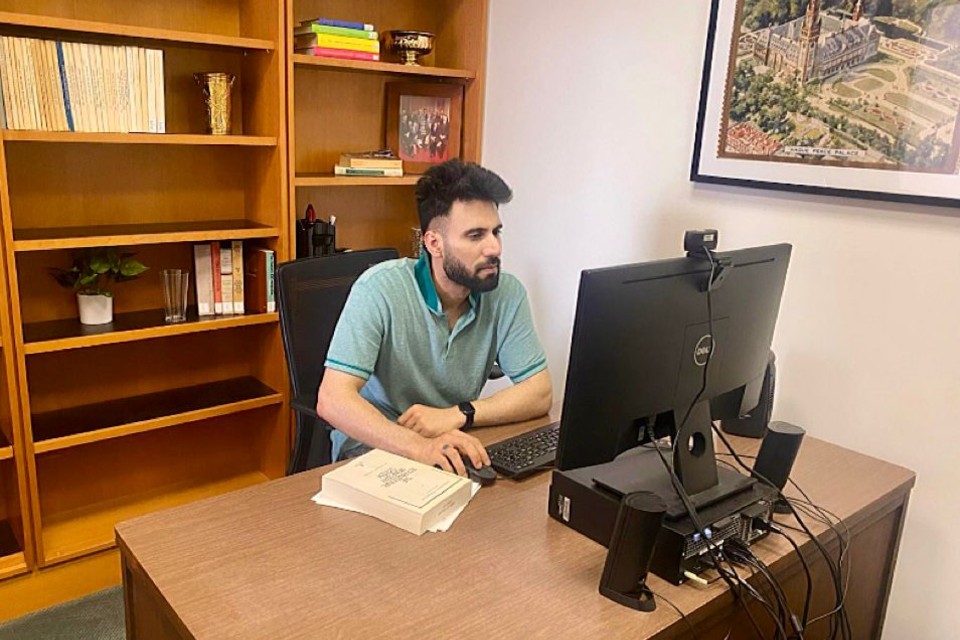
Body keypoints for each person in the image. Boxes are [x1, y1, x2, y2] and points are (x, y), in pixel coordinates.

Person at [316, 159, 552, 476]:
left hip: (450, 440)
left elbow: (540, 393)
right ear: (433, 243)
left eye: (496, 231)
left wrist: (462, 413)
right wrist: (419, 446)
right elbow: (332, 400)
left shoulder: (505, 293)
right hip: (374, 446)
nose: (494, 247)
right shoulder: (379, 289)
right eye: (475, 235)